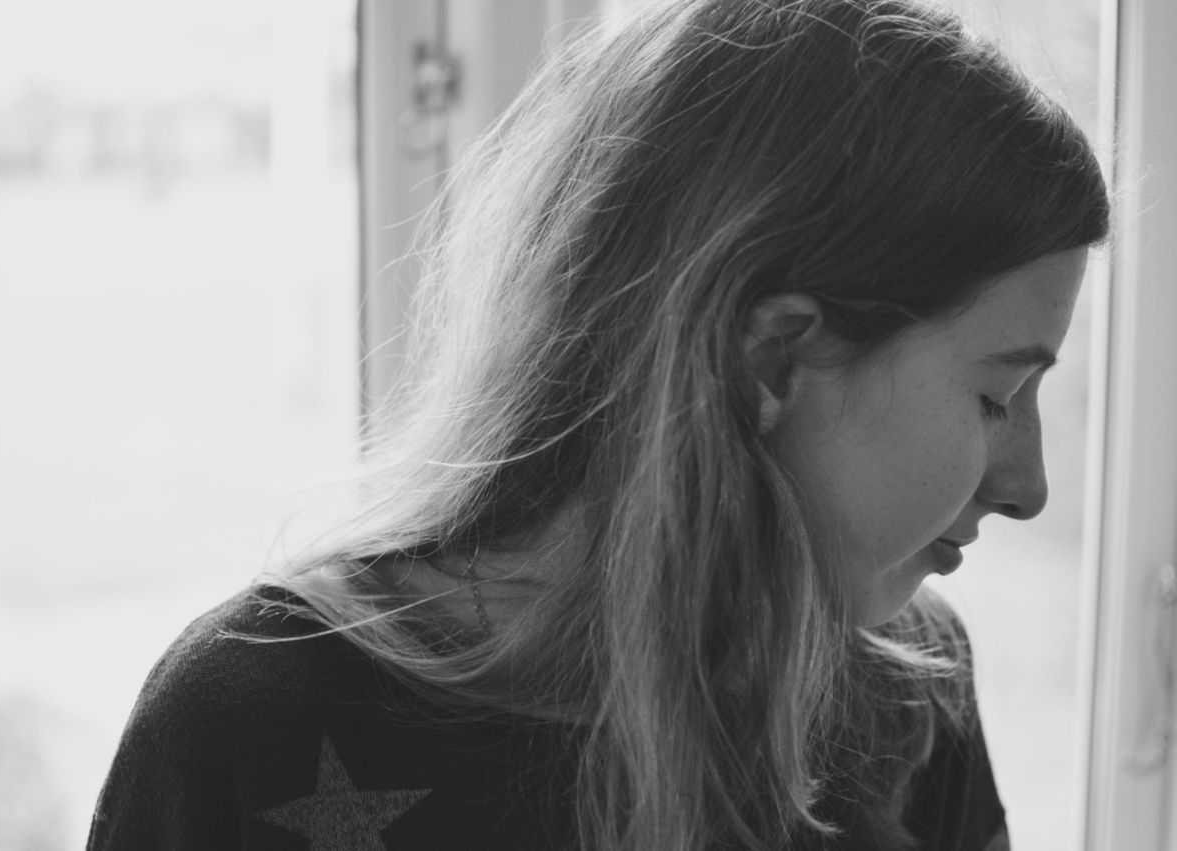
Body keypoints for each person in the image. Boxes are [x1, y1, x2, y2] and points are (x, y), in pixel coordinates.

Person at [87, 0, 1110, 848]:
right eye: (995, 395)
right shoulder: (249, 719)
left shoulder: (903, 694)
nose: (1026, 487)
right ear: (773, 356)